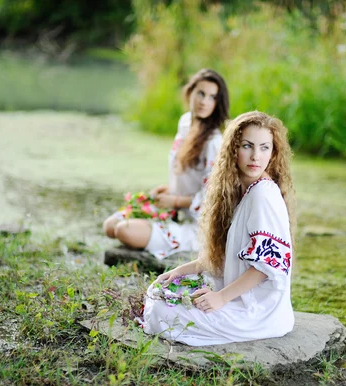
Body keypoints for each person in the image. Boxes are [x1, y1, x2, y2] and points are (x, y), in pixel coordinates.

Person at [142, 111, 296, 346]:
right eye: (247, 146)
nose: (256, 156)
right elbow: (227, 256)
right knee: (159, 290)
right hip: (238, 296)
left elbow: (267, 266)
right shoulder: (241, 191)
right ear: (233, 149)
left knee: (162, 312)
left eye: (265, 147)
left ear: (273, 153)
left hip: (258, 310)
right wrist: (182, 270)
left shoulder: (263, 195)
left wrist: (221, 298)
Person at [102, 69, 230, 259]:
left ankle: (163, 237)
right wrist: (170, 190)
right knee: (110, 226)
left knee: (123, 230)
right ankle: (153, 230)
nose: (204, 101)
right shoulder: (185, 123)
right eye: (201, 93)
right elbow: (186, 175)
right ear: (190, 92)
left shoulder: (213, 142)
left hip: (198, 223)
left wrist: (176, 200)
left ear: (217, 104)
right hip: (175, 208)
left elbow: (212, 198)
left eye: (212, 97)